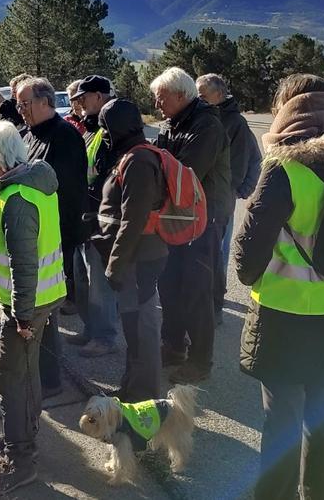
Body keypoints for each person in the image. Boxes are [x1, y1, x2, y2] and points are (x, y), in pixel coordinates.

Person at [233, 74, 324, 500]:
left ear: (287, 112)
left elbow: (247, 254)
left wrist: (251, 275)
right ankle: (315, 494)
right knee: (321, 410)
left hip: (286, 313)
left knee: (282, 418)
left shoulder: (284, 169)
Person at [0, 120, 67, 495]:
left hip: (27, 305)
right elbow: (24, 244)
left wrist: (21, 315)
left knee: (11, 377)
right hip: (38, 298)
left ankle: (21, 457)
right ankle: (23, 436)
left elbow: (24, 263)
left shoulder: (17, 199)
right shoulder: (32, 185)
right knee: (25, 372)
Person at [151, 67, 231, 384]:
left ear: (181, 95)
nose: (157, 105)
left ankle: (200, 361)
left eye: (161, 98)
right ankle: (173, 346)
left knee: (197, 292)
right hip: (175, 218)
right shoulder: (172, 124)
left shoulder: (207, 125)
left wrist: (154, 171)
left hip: (203, 220)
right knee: (169, 285)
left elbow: (185, 173)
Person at [91, 98, 167, 400]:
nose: (103, 135)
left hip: (139, 259)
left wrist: (115, 266)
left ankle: (144, 398)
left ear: (118, 128)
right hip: (134, 257)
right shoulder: (131, 155)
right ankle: (132, 387)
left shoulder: (139, 161)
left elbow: (133, 220)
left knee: (141, 330)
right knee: (133, 328)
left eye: (105, 128)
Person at [17, 76, 88, 396]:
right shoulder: (28, 134)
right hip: (32, 232)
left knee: (45, 310)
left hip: (53, 235)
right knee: (36, 309)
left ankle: (50, 379)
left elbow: (66, 191)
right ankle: (39, 372)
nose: (21, 109)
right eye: (19, 103)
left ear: (45, 102)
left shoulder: (65, 136)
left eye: (25, 103)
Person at [196, 73, 262, 325]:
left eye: (203, 95)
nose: (199, 99)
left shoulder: (235, 123)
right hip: (201, 197)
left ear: (219, 95)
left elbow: (254, 159)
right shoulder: (203, 117)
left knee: (217, 253)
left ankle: (215, 306)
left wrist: (240, 190)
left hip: (220, 199)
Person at [67, 75, 119, 357]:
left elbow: (107, 175)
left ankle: (104, 337)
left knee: (99, 283)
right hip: (85, 216)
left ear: (99, 97)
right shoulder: (91, 128)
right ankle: (91, 329)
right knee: (83, 278)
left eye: (83, 98)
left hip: (99, 218)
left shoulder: (111, 129)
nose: (79, 104)